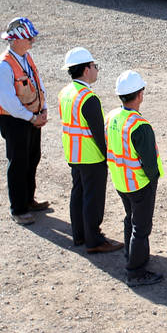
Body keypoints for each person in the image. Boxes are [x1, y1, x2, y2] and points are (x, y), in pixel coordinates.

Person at [58, 47, 123, 254]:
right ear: (86, 70)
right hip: (91, 155)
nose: (96, 70)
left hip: (73, 152)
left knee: (78, 193)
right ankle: (94, 240)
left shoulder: (65, 92)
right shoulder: (88, 98)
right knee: (93, 198)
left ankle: (79, 234)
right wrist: (109, 155)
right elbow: (98, 133)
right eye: (95, 66)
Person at [106, 70, 164, 287]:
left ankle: (131, 254)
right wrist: (153, 179)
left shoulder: (112, 116)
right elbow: (149, 161)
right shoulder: (140, 125)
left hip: (120, 180)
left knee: (130, 218)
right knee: (141, 227)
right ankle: (136, 271)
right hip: (140, 182)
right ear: (140, 94)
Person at [0, 17, 50, 225]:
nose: (32, 41)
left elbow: (37, 82)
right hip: (15, 121)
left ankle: (28, 199)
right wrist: (32, 117)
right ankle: (18, 208)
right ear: (15, 40)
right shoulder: (3, 66)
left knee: (32, 158)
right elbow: (8, 101)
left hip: (30, 118)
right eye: (28, 38)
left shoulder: (26, 57)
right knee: (18, 163)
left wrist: (43, 109)